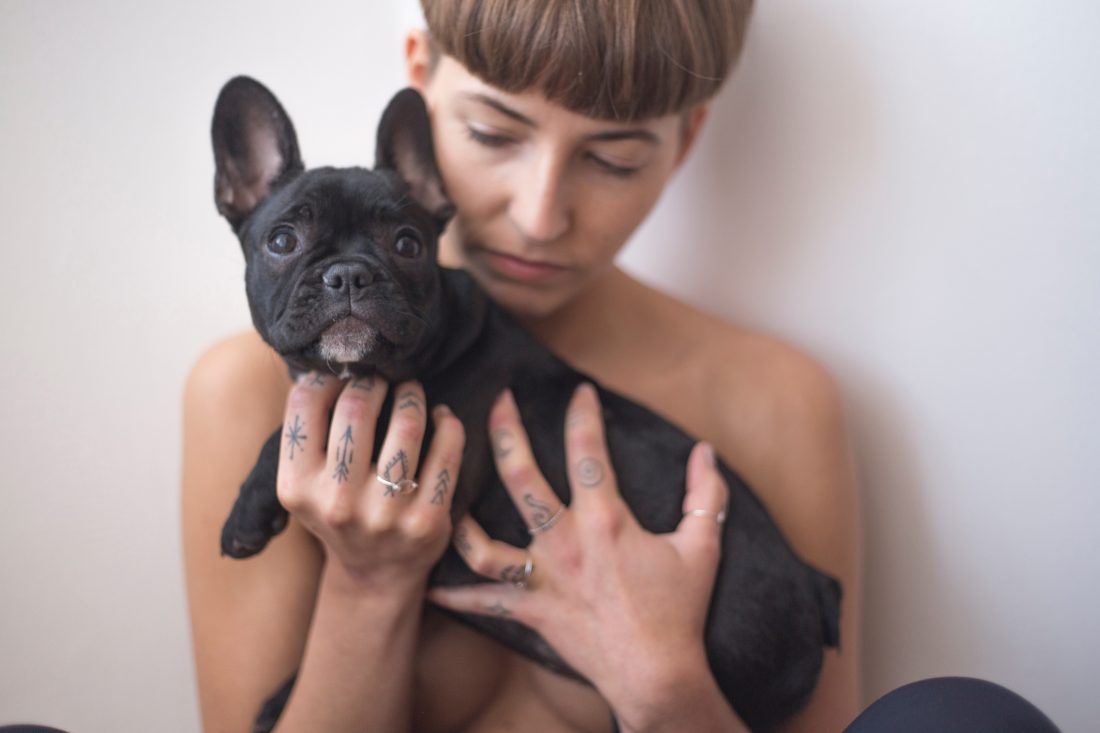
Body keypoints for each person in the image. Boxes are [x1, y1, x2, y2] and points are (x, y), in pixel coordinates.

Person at [182, 2, 1058, 732]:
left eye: (613, 157)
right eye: (492, 133)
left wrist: (665, 683)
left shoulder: (770, 399)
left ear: (685, 144)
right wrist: (370, 581)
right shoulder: (250, 396)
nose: (540, 213)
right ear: (421, 82)